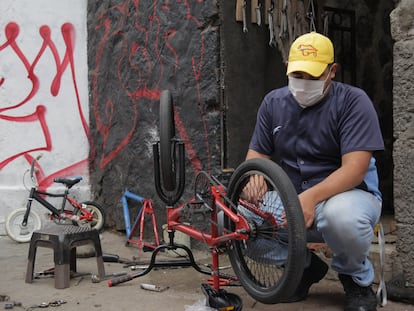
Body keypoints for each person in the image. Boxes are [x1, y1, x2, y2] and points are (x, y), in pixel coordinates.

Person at [246, 32, 384, 311]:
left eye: (313, 76)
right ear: (287, 66)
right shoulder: (273, 103)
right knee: (236, 219)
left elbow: (355, 170)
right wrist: (255, 176)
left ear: (331, 71)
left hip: (347, 196)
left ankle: (355, 278)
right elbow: (257, 153)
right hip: (291, 199)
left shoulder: (354, 102)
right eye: (297, 74)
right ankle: (303, 267)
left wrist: (309, 199)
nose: (304, 84)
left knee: (341, 217)